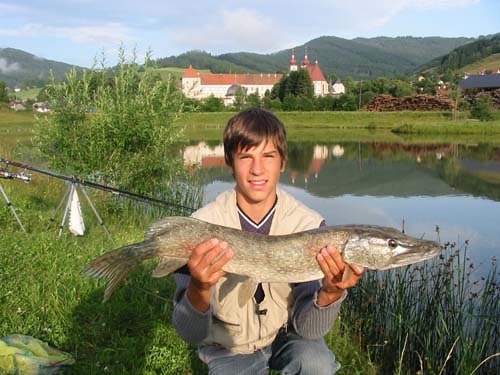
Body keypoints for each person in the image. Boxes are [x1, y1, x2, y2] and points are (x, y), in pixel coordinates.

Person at [173, 107, 365, 374]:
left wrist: (332, 293)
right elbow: (189, 333)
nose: (257, 169)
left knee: (316, 364)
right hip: (230, 349)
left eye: (268, 156)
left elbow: (309, 330)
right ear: (230, 163)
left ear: (283, 161)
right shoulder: (200, 228)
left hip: (288, 336)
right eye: (245, 157)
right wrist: (199, 287)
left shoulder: (310, 227)